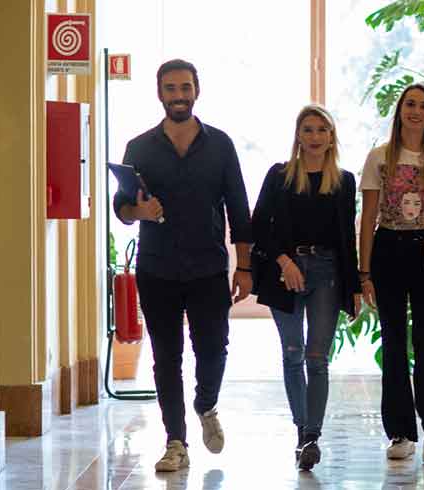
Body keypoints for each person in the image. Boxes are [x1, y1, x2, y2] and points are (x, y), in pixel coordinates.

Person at [113, 59, 253, 472]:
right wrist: (138, 211)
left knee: (213, 348)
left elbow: (239, 207)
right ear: (160, 93)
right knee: (166, 357)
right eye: (171, 88)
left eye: (185, 87)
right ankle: (175, 441)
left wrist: (244, 268)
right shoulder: (139, 147)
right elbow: (121, 207)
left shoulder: (220, 145)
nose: (179, 96)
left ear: (197, 90)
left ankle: (206, 404)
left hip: (208, 267)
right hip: (157, 268)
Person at [250, 105, 361, 471]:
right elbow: (259, 226)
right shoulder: (279, 176)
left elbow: (346, 239)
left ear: (331, 137)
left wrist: (354, 287)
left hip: (327, 271)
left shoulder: (343, 181)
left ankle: (312, 436)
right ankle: (301, 433)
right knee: (293, 352)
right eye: (308, 129)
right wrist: (284, 262)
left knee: (317, 358)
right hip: (286, 270)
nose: (315, 136)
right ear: (298, 136)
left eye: (322, 130)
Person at [359, 83, 424, 463]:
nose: (416, 112)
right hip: (388, 248)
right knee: (394, 342)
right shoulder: (379, 157)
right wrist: (364, 272)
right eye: (410, 105)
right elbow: (368, 217)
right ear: (400, 111)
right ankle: (400, 433)